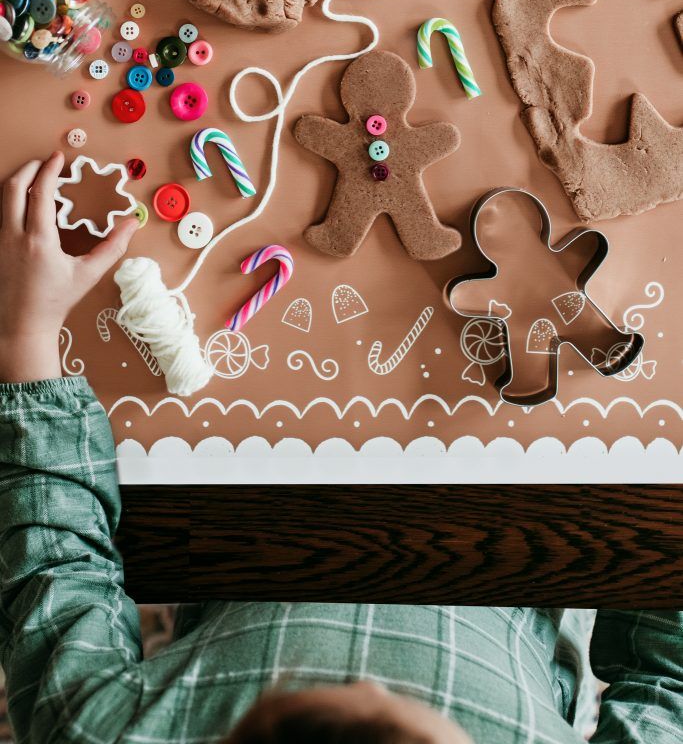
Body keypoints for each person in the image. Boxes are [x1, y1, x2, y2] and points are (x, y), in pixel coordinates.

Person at [0, 153, 681, 744]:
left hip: (244, 512)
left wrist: (25, 332)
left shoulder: (101, 732)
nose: (375, 685)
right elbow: (668, 679)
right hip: (518, 497)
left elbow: (52, 561)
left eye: (308, 700)